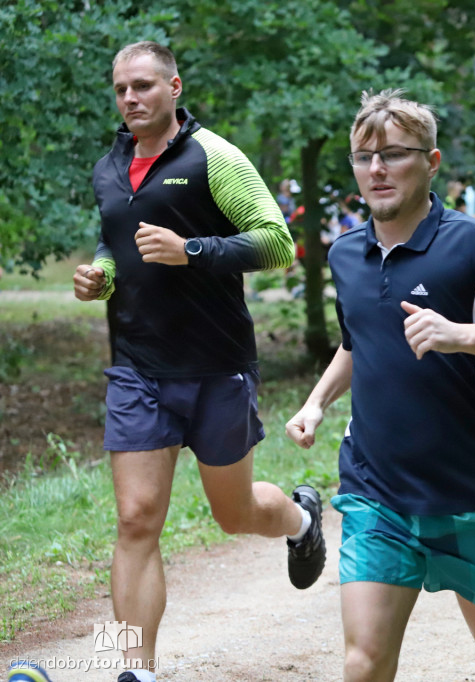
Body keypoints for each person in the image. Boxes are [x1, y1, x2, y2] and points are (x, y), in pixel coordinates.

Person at [285, 89, 475, 682]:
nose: (377, 170)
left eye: (394, 154)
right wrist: (315, 403)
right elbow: (357, 341)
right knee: (363, 661)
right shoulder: (346, 254)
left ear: (432, 162)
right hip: (376, 486)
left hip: (472, 490)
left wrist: (460, 335)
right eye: (364, 158)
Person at [71, 42, 326, 682]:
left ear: (175, 86)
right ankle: (135, 671)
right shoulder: (109, 165)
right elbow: (115, 241)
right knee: (135, 519)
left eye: (145, 86)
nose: (131, 98)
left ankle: (300, 518)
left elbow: (277, 244)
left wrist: (193, 250)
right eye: (122, 88)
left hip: (217, 366)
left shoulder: (214, 156)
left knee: (233, 513)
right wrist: (100, 276)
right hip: (137, 368)